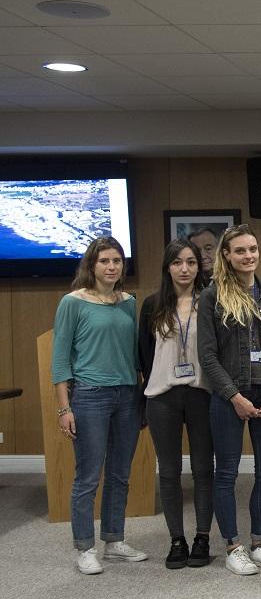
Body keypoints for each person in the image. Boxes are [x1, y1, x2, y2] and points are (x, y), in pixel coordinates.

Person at [196, 224, 261, 576]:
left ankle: (258, 541)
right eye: (240, 250)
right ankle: (233, 547)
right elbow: (207, 356)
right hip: (229, 397)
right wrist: (234, 396)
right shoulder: (212, 296)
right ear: (226, 254)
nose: (248, 255)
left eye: (252, 249)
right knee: (227, 473)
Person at [52, 236, 148, 575]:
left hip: (127, 396)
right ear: (91, 265)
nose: (111, 266)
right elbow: (60, 359)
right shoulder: (72, 302)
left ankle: (114, 540)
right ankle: (84, 547)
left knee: (120, 474)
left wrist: (141, 396)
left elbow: (134, 355)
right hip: (89, 396)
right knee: (88, 477)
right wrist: (64, 409)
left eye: (117, 261)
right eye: (104, 261)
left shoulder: (128, 302)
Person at [139, 239, 213, 569]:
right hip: (163, 396)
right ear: (167, 267)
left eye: (191, 262)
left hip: (201, 394)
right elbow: (143, 355)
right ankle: (177, 540)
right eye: (177, 262)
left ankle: (202, 538)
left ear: (199, 266)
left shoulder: (210, 301)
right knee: (169, 472)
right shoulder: (152, 305)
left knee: (203, 470)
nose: (184, 269)